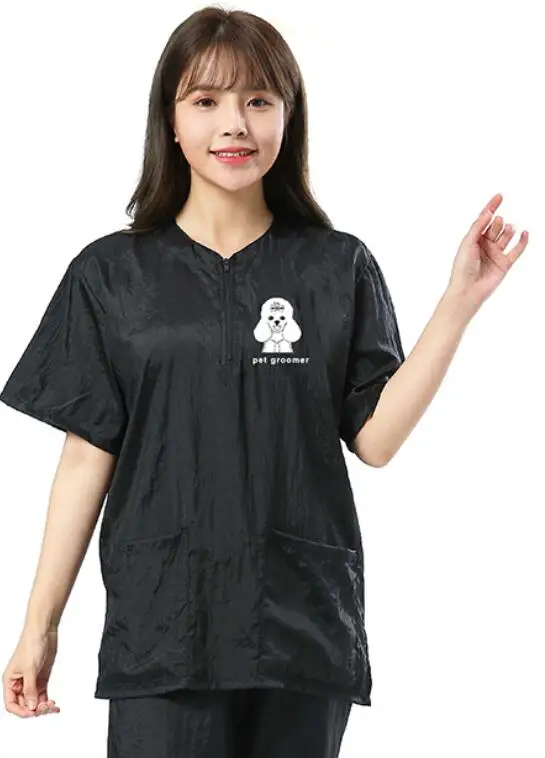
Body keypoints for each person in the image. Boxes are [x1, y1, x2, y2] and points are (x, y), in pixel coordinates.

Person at [0, 6, 528, 758]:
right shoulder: (110, 275)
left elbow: (376, 441)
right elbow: (87, 457)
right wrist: (38, 627)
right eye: (206, 100)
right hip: (162, 630)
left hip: (300, 629)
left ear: (288, 116)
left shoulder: (336, 266)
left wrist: (460, 301)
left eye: (258, 100)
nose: (234, 125)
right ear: (170, 121)